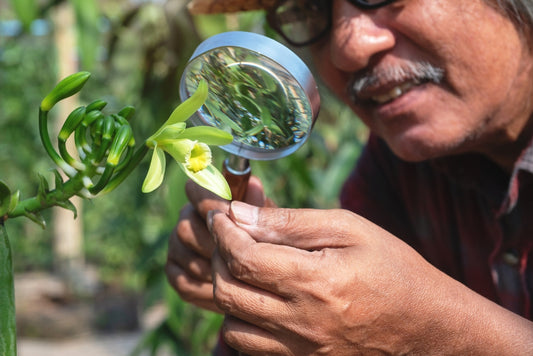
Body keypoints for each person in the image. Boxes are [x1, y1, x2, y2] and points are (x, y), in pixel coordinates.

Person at [166, 0, 533, 354]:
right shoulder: (395, 172)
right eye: (309, 9)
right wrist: (275, 303)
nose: (349, 50)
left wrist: (440, 338)